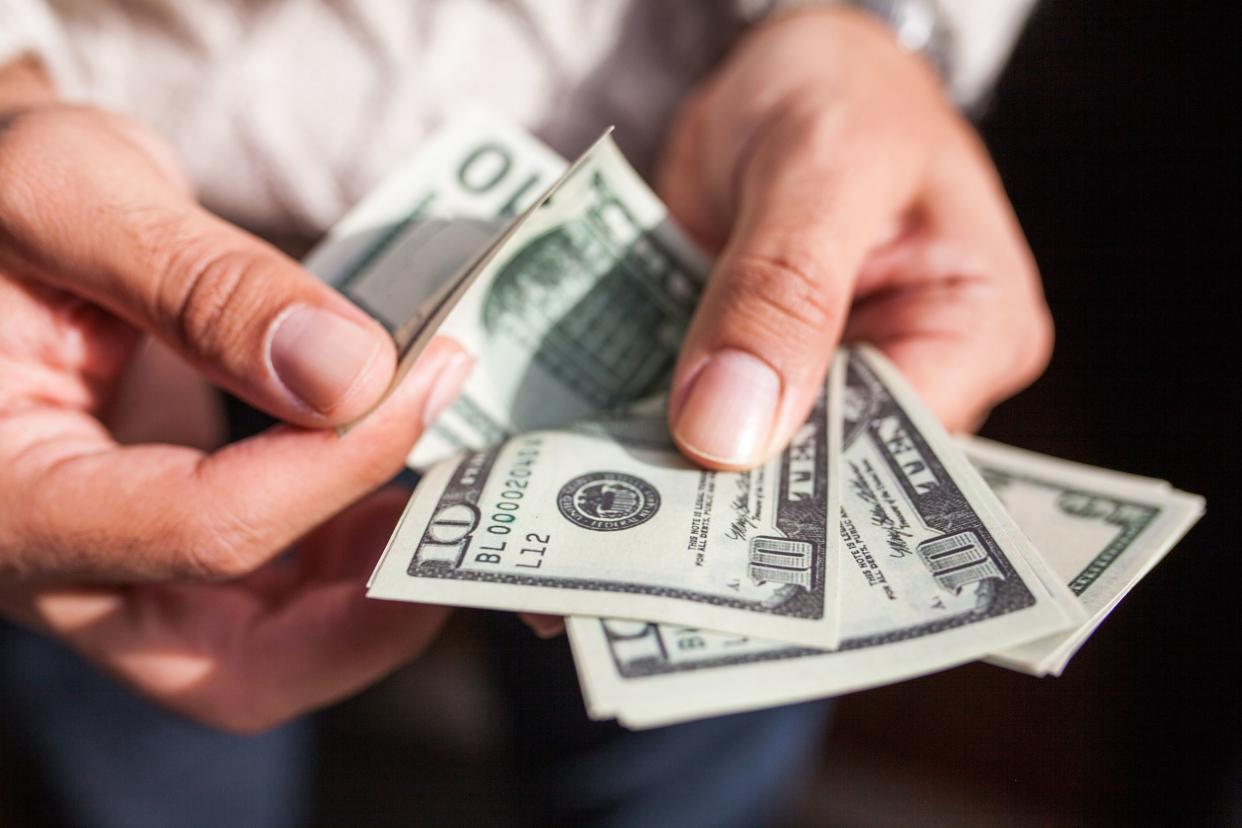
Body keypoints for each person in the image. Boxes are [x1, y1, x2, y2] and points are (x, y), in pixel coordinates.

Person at [0, 1, 1051, 825]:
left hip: (717, 227)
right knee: (146, 768)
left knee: (675, 778)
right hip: (99, 272)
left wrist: (877, 28)